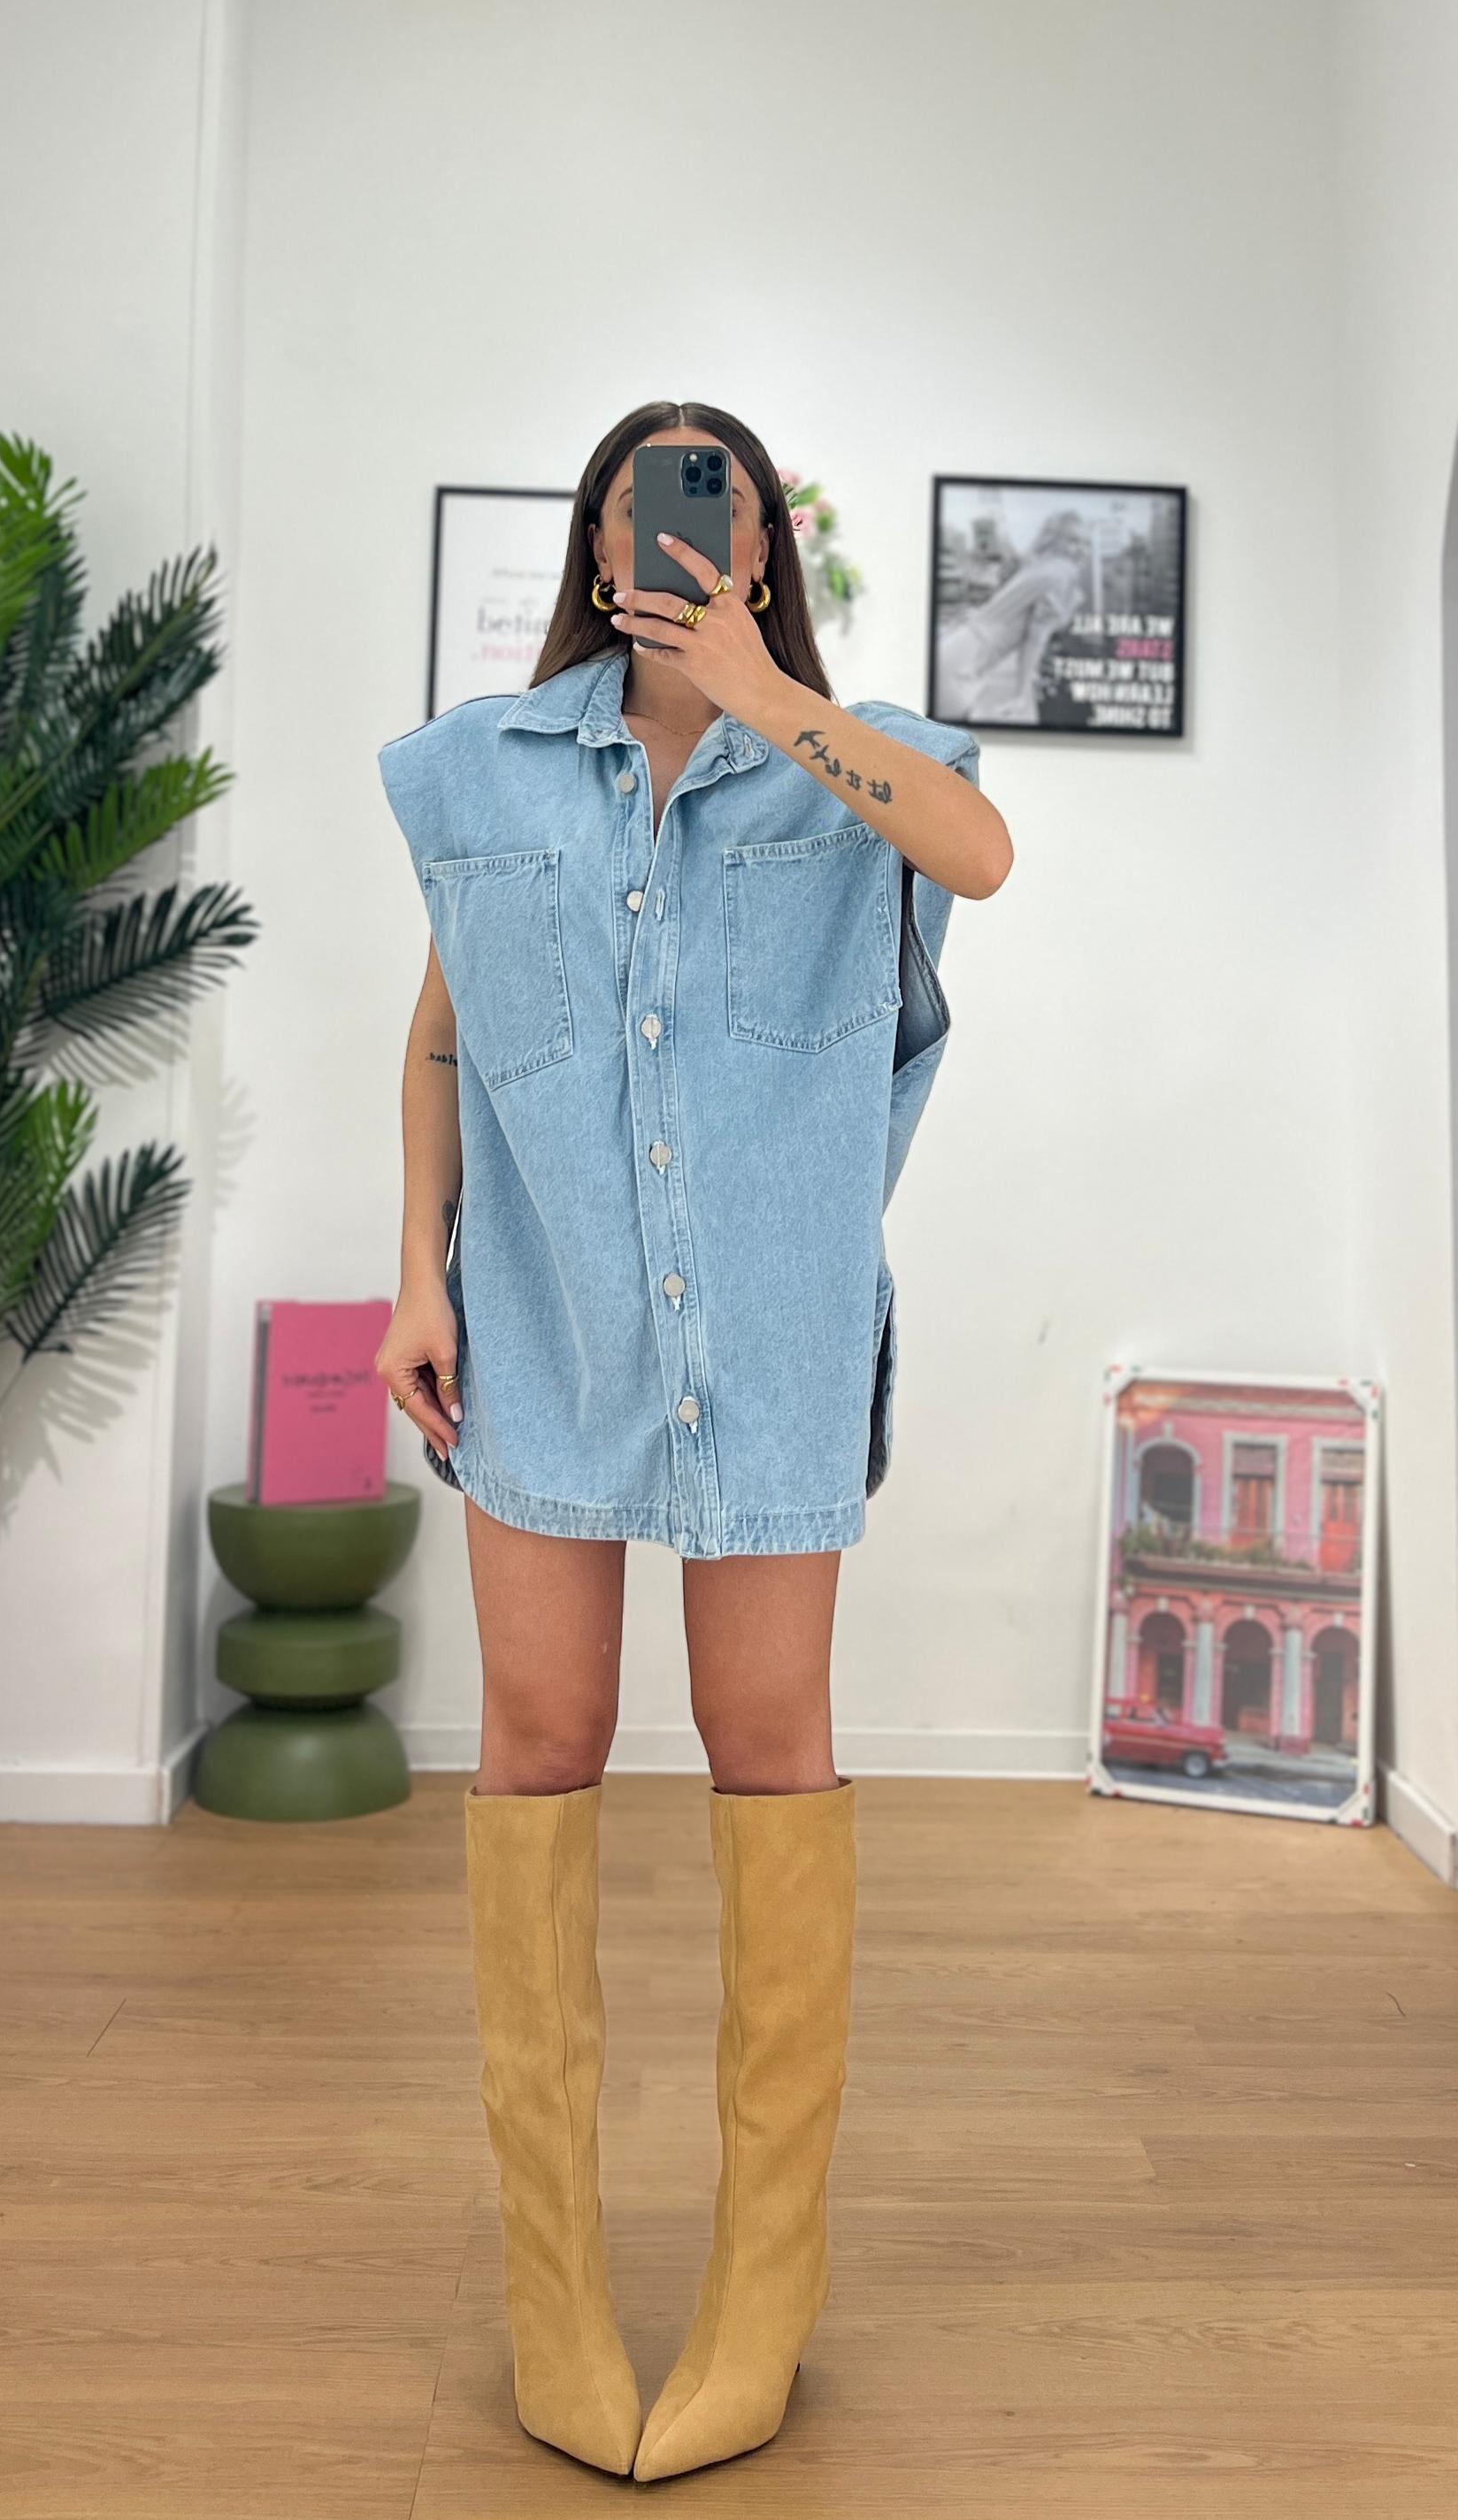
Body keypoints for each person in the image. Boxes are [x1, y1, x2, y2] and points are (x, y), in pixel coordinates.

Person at [374, 400, 1013, 2481]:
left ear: (757, 545)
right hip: (545, 1317)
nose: (674, 525)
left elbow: (979, 853)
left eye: (712, 496)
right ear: (596, 539)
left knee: (766, 1745)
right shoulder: (485, 767)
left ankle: (758, 2301)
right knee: (536, 1739)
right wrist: (414, 1271)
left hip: (773, 1332)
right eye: (642, 495)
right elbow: (444, 1026)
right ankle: (554, 2296)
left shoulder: (855, 758)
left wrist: (756, 692)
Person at [935, 505, 1090, 724]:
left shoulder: (1040, 567)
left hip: (959, 649)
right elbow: (1035, 640)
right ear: (1055, 541)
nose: (1081, 549)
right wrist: (1021, 694)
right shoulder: (1062, 573)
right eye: (1073, 541)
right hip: (967, 660)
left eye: (1085, 543)